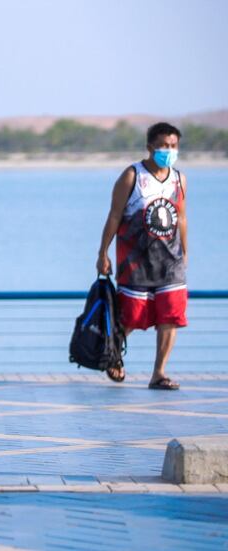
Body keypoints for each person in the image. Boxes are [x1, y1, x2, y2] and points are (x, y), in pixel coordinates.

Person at [96, 122, 188, 391]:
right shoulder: (132, 176)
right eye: (163, 146)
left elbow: (181, 218)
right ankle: (113, 355)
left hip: (171, 263)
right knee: (131, 316)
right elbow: (114, 216)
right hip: (135, 262)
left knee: (170, 316)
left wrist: (186, 253)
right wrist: (103, 252)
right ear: (150, 147)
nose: (168, 151)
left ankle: (158, 373)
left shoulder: (179, 179)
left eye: (173, 146)